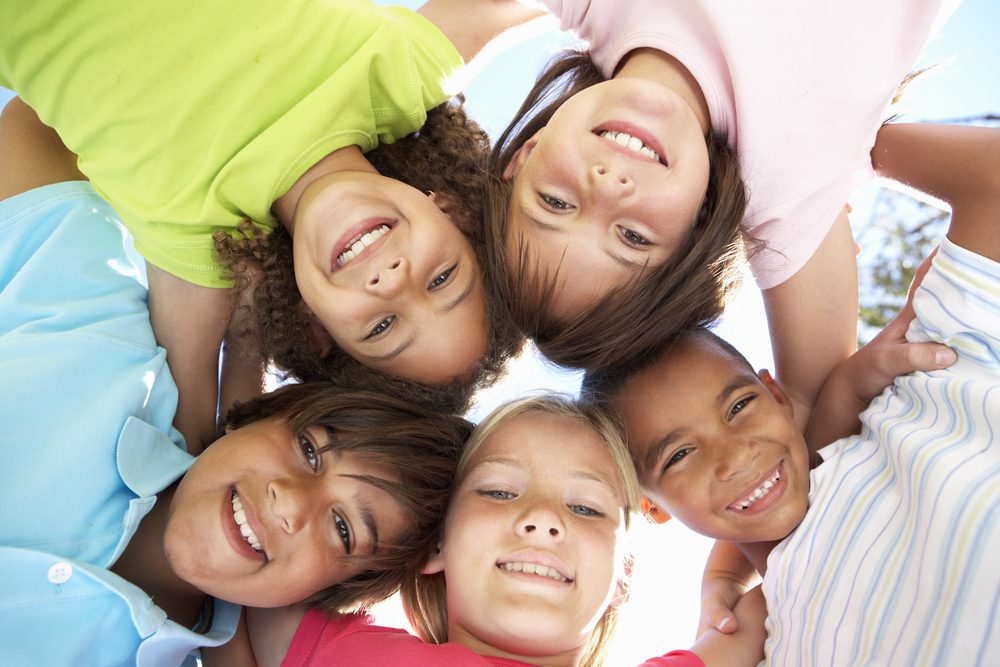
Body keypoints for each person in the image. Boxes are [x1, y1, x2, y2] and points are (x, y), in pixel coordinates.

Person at [0, 102, 473, 666]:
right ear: (263, 414)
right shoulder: (99, 344)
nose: (288, 502)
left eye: (343, 528)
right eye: (307, 450)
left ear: (327, 597)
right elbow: (43, 120)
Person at [0, 0, 539, 450]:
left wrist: (248, 344)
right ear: (452, 211)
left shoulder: (199, 249)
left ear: (317, 328)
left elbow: (191, 449)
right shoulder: (398, 75)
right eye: (442, 278)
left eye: (381, 328)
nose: (394, 281)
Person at [585, 124, 1000, 663]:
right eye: (679, 454)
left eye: (739, 406)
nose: (736, 455)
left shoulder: (911, 378)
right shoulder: (762, 635)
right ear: (649, 508)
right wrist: (724, 578)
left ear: (776, 394)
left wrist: (841, 149)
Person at [485, 0, 959, 432]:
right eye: (632, 235)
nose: (609, 187)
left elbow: (426, 47)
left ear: (525, 156)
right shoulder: (784, 183)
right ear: (697, 226)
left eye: (556, 203)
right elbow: (811, 408)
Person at [231, 396, 767, 667]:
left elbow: (798, 528)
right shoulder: (342, 648)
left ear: (624, 572)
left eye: (585, 507)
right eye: (499, 492)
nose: (543, 518)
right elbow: (235, 530)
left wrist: (725, 572)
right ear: (435, 542)